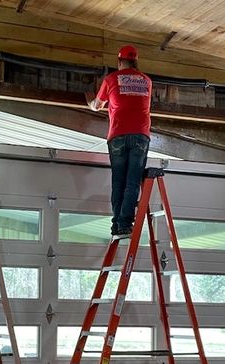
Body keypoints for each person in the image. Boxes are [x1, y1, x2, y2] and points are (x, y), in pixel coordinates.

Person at [86, 45, 152, 238]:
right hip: (140, 134)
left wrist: (91, 103)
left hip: (118, 135)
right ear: (136, 61)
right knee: (132, 181)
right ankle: (123, 224)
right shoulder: (147, 81)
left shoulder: (111, 79)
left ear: (119, 61)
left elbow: (97, 105)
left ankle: (117, 224)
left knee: (118, 181)